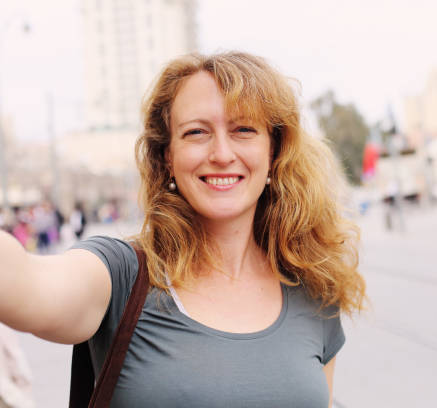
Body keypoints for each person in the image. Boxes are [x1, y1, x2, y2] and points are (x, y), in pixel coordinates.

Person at [0, 51, 366, 407]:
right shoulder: (121, 276)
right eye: (196, 133)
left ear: (274, 152)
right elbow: (24, 283)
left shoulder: (315, 291)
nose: (222, 153)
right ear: (167, 157)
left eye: (243, 129)